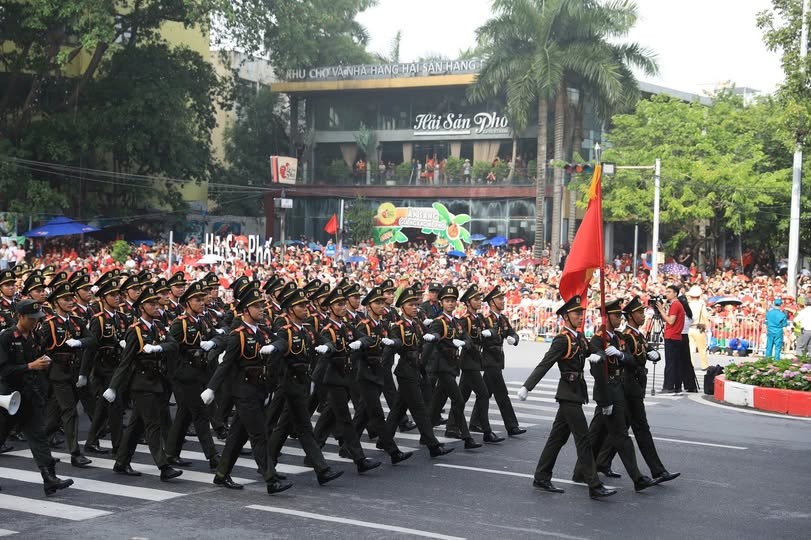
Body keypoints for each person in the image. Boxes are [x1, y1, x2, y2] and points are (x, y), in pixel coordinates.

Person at [516, 295, 615, 499]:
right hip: (568, 394)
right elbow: (546, 363)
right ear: (566, 317)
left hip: (576, 392)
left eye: (581, 313)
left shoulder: (579, 337)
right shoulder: (563, 340)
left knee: (558, 438)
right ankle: (593, 485)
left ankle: (542, 475)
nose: (581, 316)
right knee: (583, 439)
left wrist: (600, 354)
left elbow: (594, 349)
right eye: (577, 313)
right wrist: (528, 386)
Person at [202, 286, 293, 494]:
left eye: (262, 305)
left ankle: (221, 474)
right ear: (245, 310)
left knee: (237, 436)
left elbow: (282, 341)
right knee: (259, 435)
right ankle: (271, 479)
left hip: (258, 389)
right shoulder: (238, 335)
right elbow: (225, 365)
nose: (261, 309)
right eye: (256, 306)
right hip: (243, 392)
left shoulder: (261, 331)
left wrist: (274, 347)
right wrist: (211, 389)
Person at [572, 298, 657, 493]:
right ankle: (637, 478)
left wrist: (620, 356)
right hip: (607, 392)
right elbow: (597, 371)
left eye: (620, 315)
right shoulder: (597, 339)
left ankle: (579, 472)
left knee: (597, 435)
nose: (620, 318)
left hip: (618, 389)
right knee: (618, 436)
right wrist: (604, 399)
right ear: (606, 317)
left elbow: (632, 360)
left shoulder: (617, 337)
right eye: (616, 315)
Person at [104, 284, 183, 481]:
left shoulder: (159, 326)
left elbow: (173, 344)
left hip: (156, 381)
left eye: (157, 303)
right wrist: (113, 387)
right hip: (141, 383)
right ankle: (163, 466)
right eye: (151, 303)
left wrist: (159, 348)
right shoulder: (135, 331)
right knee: (152, 424)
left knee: (136, 426)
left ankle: (121, 462)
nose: (156, 306)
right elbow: (126, 361)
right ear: (141, 307)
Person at [0, 299, 74, 495]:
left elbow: (39, 361)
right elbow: (4, 370)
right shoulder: (7, 337)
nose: (35, 322)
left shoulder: (34, 337)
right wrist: (30, 366)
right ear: (20, 317)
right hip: (9, 398)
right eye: (31, 319)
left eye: (37, 319)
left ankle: (49, 478)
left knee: (38, 437)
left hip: (29, 397)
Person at [39, 282, 96, 468]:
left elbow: (92, 339)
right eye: (66, 299)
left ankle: (42, 448)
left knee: (54, 415)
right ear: (56, 302)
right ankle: (75, 453)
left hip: (73, 371)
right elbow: (39, 347)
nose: (71, 302)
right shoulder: (50, 323)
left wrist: (78, 343)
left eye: (72, 298)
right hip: (57, 372)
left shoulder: (77, 321)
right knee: (70, 411)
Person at [165, 280, 220, 470]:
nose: (201, 302)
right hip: (185, 376)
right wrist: (176, 373)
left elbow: (218, 336)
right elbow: (170, 347)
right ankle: (212, 456)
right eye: (197, 299)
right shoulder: (180, 323)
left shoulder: (202, 321)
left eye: (202, 299)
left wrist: (212, 343)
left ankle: (171, 453)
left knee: (184, 415)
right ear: (187, 302)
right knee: (200, 413)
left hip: (200, 373)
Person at [425, 285, 482, 450]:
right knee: (458, 400)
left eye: (452, 301)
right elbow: (431, 343)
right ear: (442, 303)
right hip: (441, 367)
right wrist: (424, 366)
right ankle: (467, 437)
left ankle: (425, 434)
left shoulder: (456, 322)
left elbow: (468, 340)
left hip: (451, 366)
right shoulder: (438, 322)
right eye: (447, 301)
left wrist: (463, 342)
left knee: (437, 402)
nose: (450, 304)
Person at [81, 277, 128, 455]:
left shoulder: (121, 317)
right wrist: (84, 374)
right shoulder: (98, 320)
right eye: (112, 295)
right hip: (103, 368)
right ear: (103, 298)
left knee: (103, 406)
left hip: (117, 366)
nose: (117, 298)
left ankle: (91, 440)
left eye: (118, 295)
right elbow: (91, 348)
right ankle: (119, 445)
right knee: (116, 406)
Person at [472, 285, 525, 437]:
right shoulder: (485, 319)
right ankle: (512, 426)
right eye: (499, 299)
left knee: (486, 393)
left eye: (502, 298)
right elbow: (479, 336)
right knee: (502, 394)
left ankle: (475, 422)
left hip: (497, 360)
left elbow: (513, 333)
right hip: (489, 360)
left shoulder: (503, 319)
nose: (503, 301)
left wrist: (513, 339)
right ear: (491, 302)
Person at [655, 285, 686, 394]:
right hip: (675, 337)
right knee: (675, 363)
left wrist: (660, 310)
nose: (667, 294)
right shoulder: (676, 305)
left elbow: (670, 321)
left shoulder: (675, 305)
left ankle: (668, 386)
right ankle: (676, 386)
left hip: (672, 336)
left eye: (669, 292)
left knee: (670, 363)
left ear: (675, 293)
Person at [686, 286, 710, 370]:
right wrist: (707, 328)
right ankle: (704, 365)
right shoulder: (701, 305)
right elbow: (705, 316)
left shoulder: (687, 305)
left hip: (689, 328)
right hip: (698, 328)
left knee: (690, 348)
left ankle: (690, 365)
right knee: (702, 348)